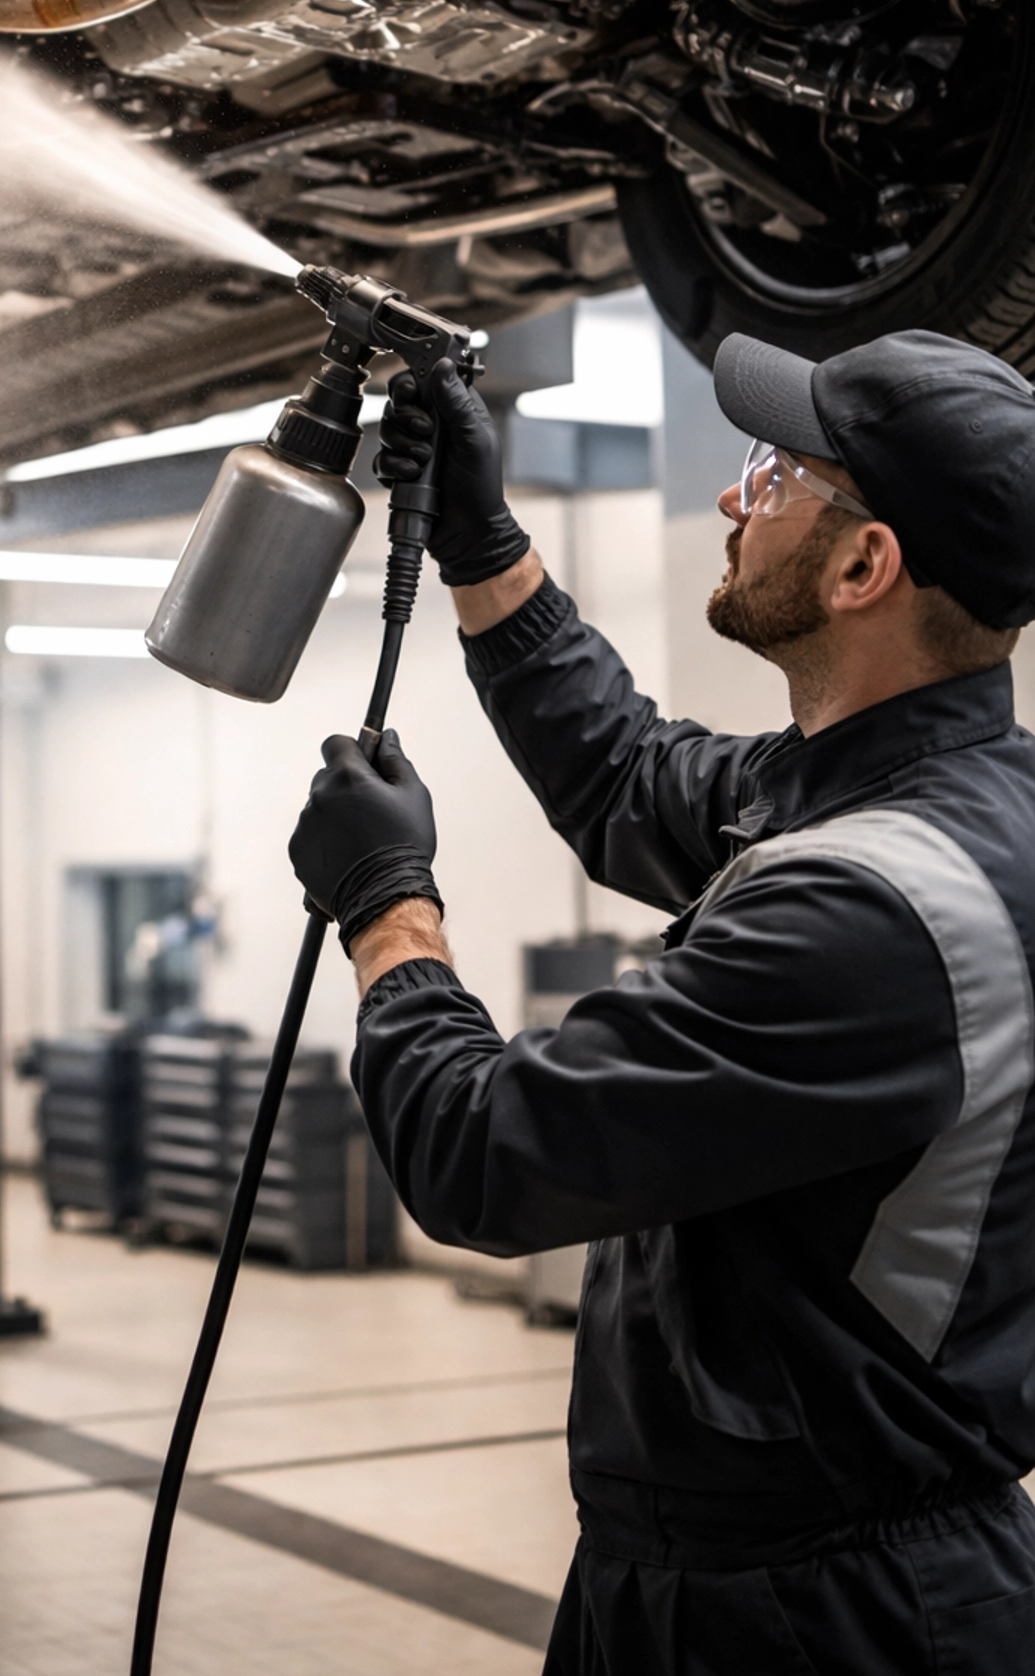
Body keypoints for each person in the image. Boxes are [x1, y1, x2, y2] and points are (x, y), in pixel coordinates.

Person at [287, 328, 1035, 1675]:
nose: (733, 500)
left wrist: (390, 908)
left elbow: (486, 1153)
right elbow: (629, 777)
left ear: (866, 567)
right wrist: (482, 542)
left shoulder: (871, 915)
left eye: (775, 474)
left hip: (818, 1623)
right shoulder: (903, 798)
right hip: (739, 1569)